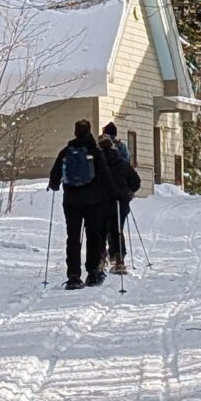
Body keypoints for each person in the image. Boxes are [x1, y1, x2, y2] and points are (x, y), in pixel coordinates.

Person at [48, 118, 114, 287]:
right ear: (89, 131)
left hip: (71, 202)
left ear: (75, 132)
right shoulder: (95, 151)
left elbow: (54, 179)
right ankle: (92, 273)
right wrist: (115, 193)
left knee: (73, 238)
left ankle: (73, 276)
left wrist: (55, 184)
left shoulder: (66, 151)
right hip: (93, 201)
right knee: (93, 236)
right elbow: (105, 176)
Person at [98, 121, 140, 269]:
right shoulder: (122, 151)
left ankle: (102, 256)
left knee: (101, 229)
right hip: (121, 198)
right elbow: (133, 178)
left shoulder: (98, 157)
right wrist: (127, 191)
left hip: (102, 199)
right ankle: (118, 255)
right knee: (117, 229)